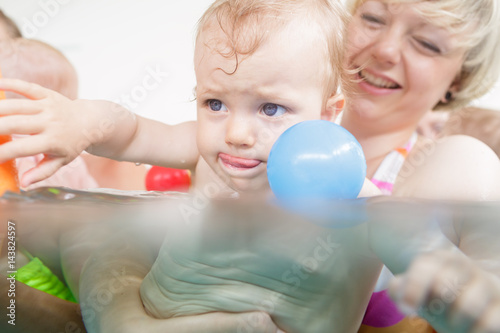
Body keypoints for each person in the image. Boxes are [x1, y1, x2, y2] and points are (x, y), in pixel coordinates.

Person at [340, 0, 500, 332]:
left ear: (460, 77)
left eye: (426, 43)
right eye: (372, 18)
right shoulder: (240, 143)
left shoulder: (457, 174)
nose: (385, 49)